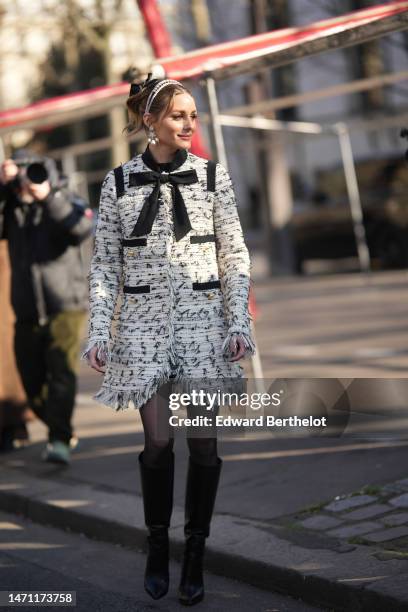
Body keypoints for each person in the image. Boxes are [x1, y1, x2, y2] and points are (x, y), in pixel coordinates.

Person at [83, 74, 256, 606]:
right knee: (158, 443)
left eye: (193, 115)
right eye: (178, 115)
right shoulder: (117, 183)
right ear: (150, 120)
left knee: (203, 444)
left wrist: (238, 323)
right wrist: (98, 331)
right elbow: (105, 266)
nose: (188, 124)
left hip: (204, 329)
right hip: (141, 331)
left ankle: (195, 553)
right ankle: (158, 548)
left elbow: (235, 257)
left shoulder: (212, 179)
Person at [0, 149, 93, 465]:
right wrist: (5, 188)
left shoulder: (63, 196)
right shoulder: (10, 208)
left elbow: (80, 230)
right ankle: (61, 428)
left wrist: (47, 195)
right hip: (26, 310)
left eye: (35, 172)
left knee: (61, 374)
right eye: (23, 173)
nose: (28, 180)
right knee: (32, 383)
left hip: (65, 304)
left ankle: (58, 442)